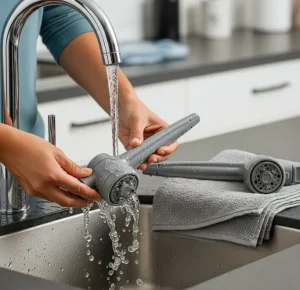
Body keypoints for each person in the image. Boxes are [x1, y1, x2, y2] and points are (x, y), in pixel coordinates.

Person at [0, 3, 178, 208]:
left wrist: (125, 102)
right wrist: (6, 144)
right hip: (25, 161)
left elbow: (56, 14)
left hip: (29, 173)